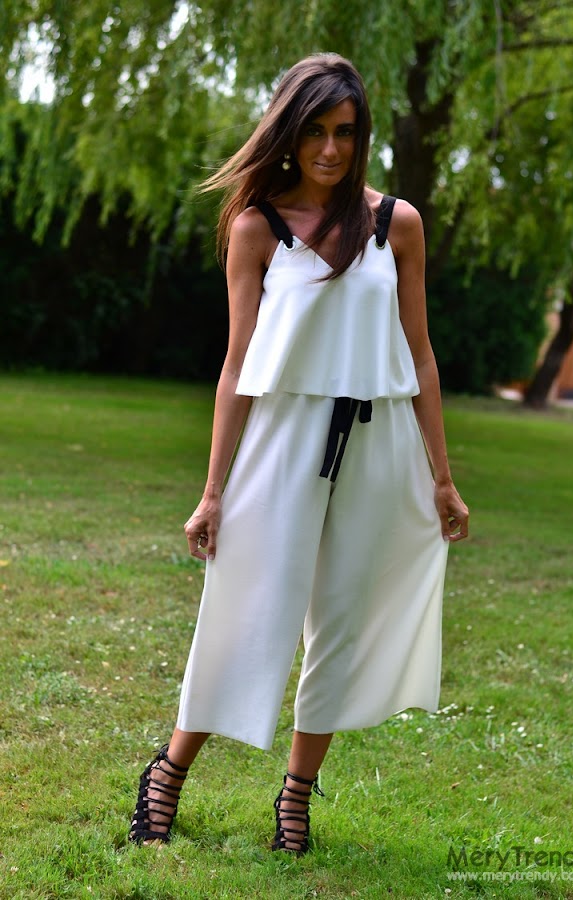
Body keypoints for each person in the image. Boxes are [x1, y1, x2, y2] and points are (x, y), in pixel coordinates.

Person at [129, 52, 469, 855]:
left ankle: (296, 797)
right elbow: (237, 367)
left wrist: (443, 478)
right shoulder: (258, 228)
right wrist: (213, 491)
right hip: (281, 443)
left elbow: (420, 356)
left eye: (344, 132)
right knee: (247, 608)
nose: (330, 149)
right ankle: (167, 773)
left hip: (377, 444)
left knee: (341, 622)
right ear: (288, 134)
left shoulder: (398, 225)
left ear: (362, 135)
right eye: (314, 131)